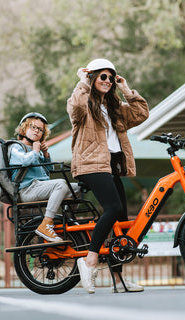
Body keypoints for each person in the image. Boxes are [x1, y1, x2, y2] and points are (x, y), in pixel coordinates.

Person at [66, 58, 149, 294]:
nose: (108, 81)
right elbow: (75, 108)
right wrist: (82, 83)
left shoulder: (115, 109)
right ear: (92, 77)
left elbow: (141, 114)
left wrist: (126, 90)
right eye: (103, 76)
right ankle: (89, 260)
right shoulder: (83, 103)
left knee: (120, 220)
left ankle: (118, 279)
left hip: (111, 165)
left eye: (111, 78)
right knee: (112, 209)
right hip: (90, 164)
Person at [9, 112, 81, 242]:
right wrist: (35, 151)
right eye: (33, 127)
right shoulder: (16, 147)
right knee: (60, 184)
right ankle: (46, 223)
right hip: (27, 190)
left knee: (78, 188)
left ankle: (67, 222)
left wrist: (46, 154)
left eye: (40, 129)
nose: (36, 131)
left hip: (40, 187)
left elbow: (49, 170)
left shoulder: (36, 149)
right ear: (24, 128)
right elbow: (24, 162)